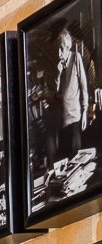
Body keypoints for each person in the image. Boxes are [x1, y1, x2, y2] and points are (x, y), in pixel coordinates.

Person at [53, 23, 96, 168]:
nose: (59, 53)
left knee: (76, 159)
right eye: (58, 49)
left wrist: (84, 112)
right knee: (65, 160)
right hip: (63, 121)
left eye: (61, 49)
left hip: (75, 118)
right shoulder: (60, 67)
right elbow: (58, 94)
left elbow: (84, 87)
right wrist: (58, 75)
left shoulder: (76, 57)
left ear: (66, 47)